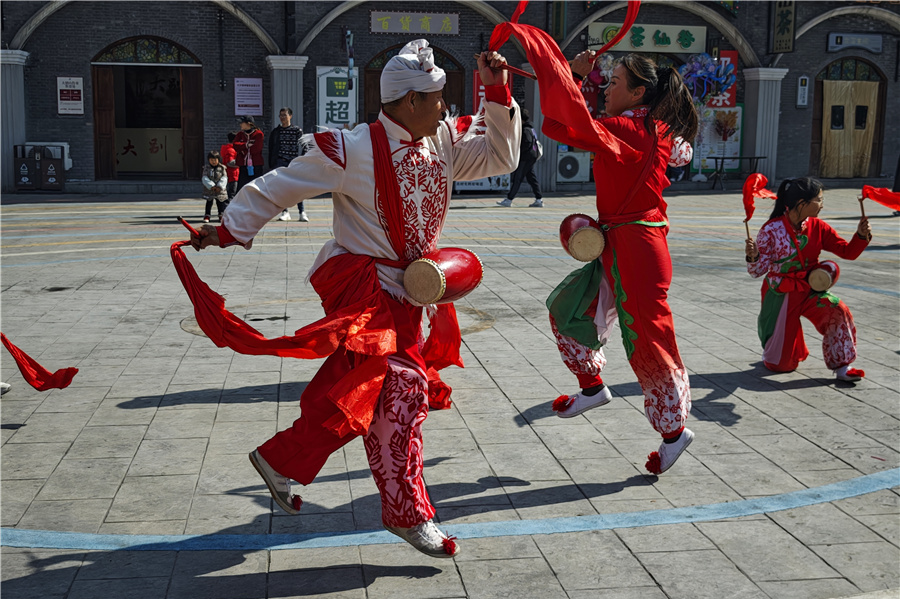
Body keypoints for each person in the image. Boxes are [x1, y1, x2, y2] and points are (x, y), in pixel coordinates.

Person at [189, 40, 520, 558]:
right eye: (436, 98)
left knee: (357, 396)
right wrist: (228, 230)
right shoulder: (352, 149)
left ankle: (280, 461)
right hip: (367, 293)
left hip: (416, 292)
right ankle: (408, 513)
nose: (445, 107)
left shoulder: (444, 143)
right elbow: (279, 186)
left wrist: (498, 91)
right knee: (404, 393)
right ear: (408, 101)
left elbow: (501, 154)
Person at [543, 53, 697, 475]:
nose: (605, 88)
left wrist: (571, 74)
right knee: (569, 309)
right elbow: (680, 150)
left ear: (637, 93)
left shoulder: (624, 128)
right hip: (623, 242)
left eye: (613, 82)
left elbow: (553, 125)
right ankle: (592, 389)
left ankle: (673, 433)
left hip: (638, 249)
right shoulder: (654, 128)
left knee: (649, 341)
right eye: (605, 81)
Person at [745, 177, 871, 380]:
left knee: (838, 310)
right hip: (781, 293)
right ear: (801, 203)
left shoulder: (819, 227)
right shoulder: (771, 230)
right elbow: (756, 271)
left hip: (811, 288)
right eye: (819, 200)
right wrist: (753, 256)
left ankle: (842, 366)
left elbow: (847, 252)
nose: (822, 205)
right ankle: (786, 351)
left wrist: (861, 236)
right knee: (781, 366)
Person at [269, 107, 309, 222]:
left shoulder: (297, 130)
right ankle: (285, 211)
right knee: (282, 188)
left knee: (297, 187)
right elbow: (272, 148)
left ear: (290, 116)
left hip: (294, 162)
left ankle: (302, 212)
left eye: (284, 115)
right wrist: (272, 163)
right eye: (280, 115)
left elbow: (305, 145)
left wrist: (301, 159)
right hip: (280, 161)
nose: (282, 118)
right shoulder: (277, 131)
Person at [497, 108, 543, 208]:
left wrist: (518, 153)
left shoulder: (525, 130)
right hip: (531, 156)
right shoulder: (530, 128)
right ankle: (539, 199)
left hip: (526, 157)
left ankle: (509, 200)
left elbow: (527, 143)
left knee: (518, 178)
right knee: (531, 178)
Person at [233, 116, 264, 189]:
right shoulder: (240, 134)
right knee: (242, 186)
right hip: (243, 164)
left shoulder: (258, 134)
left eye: (242, 123)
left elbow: (256, 149)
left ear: (248, 123)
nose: (240, 124)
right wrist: (246, 145)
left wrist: (242, 149)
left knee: (256, 186)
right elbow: (235, 145)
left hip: (255, 164)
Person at [200, 150, 228, 223]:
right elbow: (204, 177)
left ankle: (221, 215)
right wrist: (211, 186)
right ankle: (207, 215)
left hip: (220, 190)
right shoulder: (206, 168)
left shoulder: (222, 168)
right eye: (211, 160)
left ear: (218, 160)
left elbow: (224, 177)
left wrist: (220, 186)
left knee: (220, 202)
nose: (213, 162)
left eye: (215, 160)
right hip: (210, 189)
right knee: (209, 202)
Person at [220, 132, 240, 202]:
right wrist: (241, 163)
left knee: (231, 193)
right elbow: (230, 162)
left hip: (232, 174)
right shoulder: (231, 150)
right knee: (232, 193)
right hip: (232, 174)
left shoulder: (228, 149)